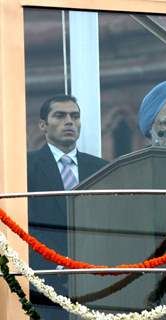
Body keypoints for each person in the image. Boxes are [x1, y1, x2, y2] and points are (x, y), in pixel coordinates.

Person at [27, 94, 107, 318]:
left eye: (75, 116)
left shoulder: (102, 169)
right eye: (60, 116)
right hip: (43, 284)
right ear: (43, 125)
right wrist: (55, 266)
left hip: (95, 283)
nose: (69, 121)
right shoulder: (25, 168)